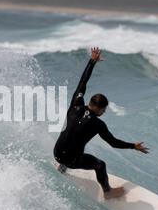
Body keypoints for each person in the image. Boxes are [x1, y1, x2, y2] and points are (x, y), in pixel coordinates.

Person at [53, 47, 149, 199]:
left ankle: (61, 168)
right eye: (104, 110)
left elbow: (83, 82)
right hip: (71, 160)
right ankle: (108, 192)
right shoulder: (98, 124)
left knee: (72, 142)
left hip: (56, 153)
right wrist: (133, 146)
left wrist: (92, 61)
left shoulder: (75, 104)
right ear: (98, 108)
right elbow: (113, 143)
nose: (104, 112)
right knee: (100, 165)